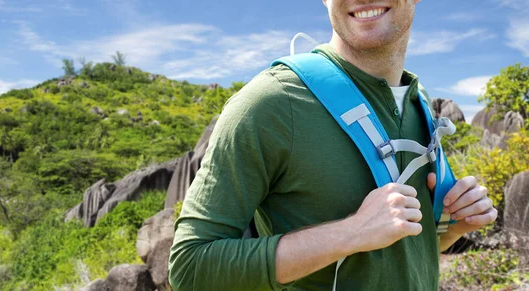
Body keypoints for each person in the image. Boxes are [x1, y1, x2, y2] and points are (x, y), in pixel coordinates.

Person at [168, 0, 498, 290]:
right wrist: (350, 233)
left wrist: (455, 228)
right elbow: (189, 267)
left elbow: (395, 255)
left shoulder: (419, 103)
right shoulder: (272, 103)